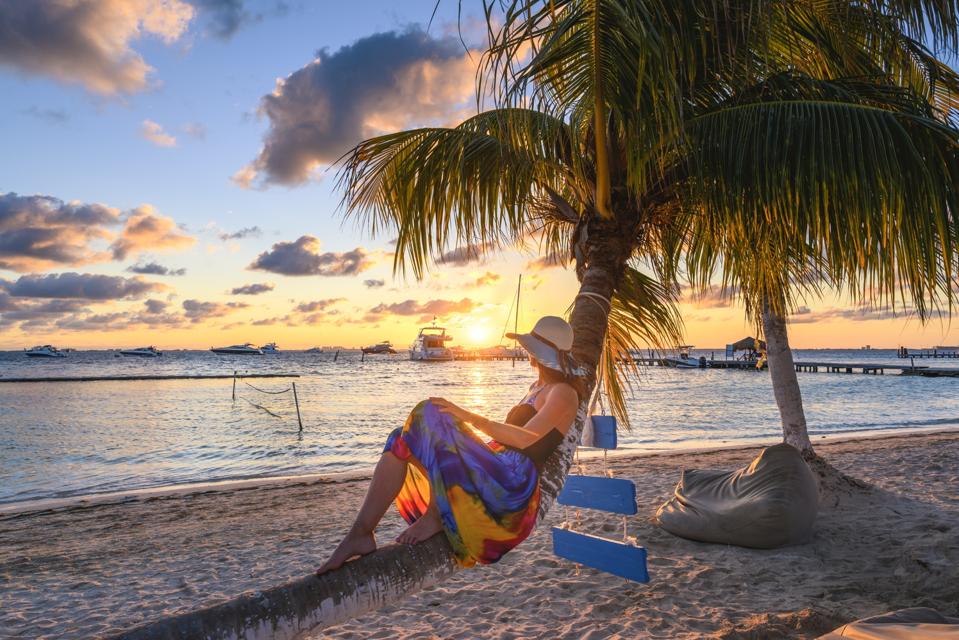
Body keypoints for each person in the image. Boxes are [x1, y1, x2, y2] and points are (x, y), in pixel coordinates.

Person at [317, 316, 586, 575]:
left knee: (429, 412)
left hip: (511, 486)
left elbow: (526, 437)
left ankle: (435, 514)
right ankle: (361, 533)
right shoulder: (537, 386)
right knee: (400, 437)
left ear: (538, 353)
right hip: (497, 467)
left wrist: (468, 417)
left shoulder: (563, 392)